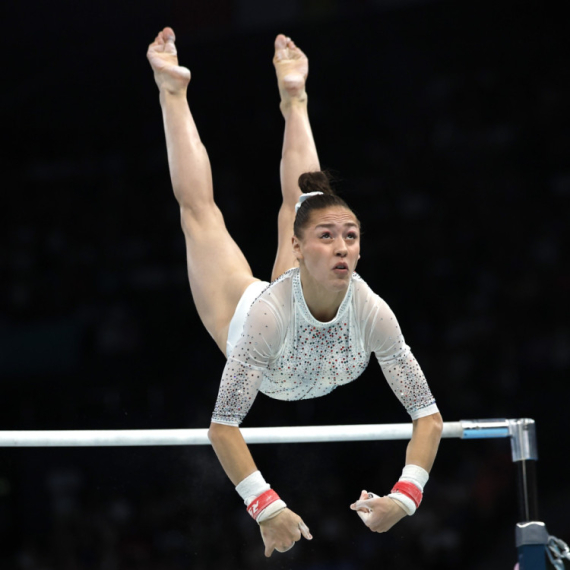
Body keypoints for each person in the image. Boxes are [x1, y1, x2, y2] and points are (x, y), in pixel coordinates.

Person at [147, 27, 443, 558]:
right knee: (200, 216)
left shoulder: (373, 313)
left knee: (310, 198)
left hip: (288, 327)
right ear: (298, 249)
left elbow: (428, 416)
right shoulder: (265, 317)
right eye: (327, 238)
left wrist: (406, 496)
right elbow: (223, 427)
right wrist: (267, 507)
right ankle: (172, 90)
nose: (342, 248)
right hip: (246, 317)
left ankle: (295, 95)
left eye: (350, 237)